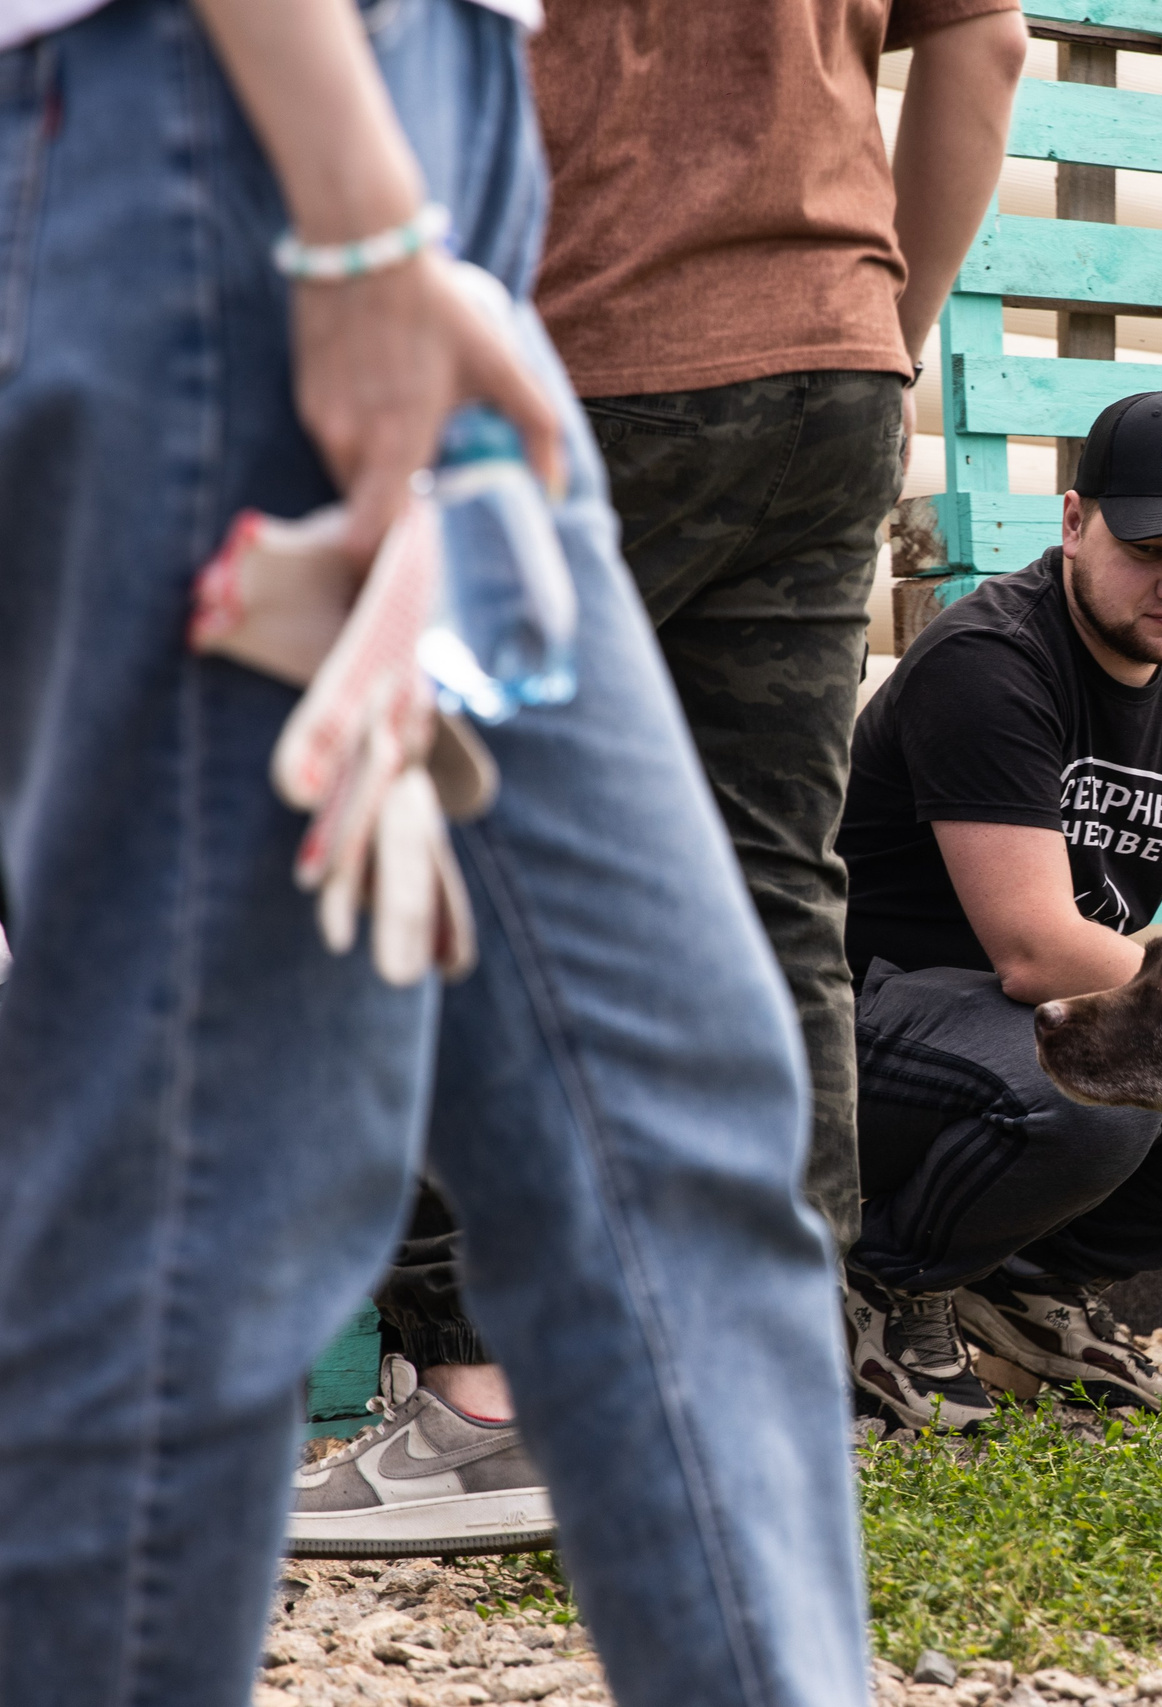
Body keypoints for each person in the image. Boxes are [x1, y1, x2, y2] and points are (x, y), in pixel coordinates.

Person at [0, 0, 868, 1700]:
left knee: (672, 1119)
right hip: (241, 132)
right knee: (204, 1195)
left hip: (438, 157)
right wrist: (353, 217)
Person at [295, 0, 1028, 1550]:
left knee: (433, 841)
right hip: (826, 367)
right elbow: (988, 40)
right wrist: (894, 330)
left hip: (567, 346)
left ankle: (489, 1398)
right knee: (769, 884)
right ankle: (771, 1388)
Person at [837, 388, 1162, 1429]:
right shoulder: (990, 663)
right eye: (1149, 547)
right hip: (859, 1035)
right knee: (1088, 1086)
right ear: (1072, 524)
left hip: (1009, 1030)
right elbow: (1035, 954)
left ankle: (1016, 1280)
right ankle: (883, 1283)